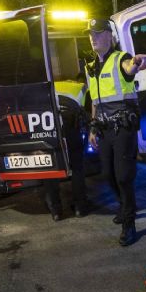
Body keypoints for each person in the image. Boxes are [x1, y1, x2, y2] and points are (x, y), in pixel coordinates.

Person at [85, 19, 146, 246]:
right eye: (90, 34)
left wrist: (137, 62)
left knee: (124, 177)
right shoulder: (90, 67)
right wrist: (92, 126)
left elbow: (130, 67)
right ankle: (124, 206)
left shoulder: (120, 58)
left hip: (123, 128)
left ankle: (129, 223)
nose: (92, 37)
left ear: (109, 36)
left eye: (98, 33)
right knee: (107, 175)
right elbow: (94, 99)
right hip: (103, 130)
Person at [43, 80, 89, 221]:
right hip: (71, 128)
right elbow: (85, 112)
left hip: (50, 128)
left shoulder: (44, 86)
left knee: (50, 168)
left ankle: (56, 210)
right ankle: (79, 208)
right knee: (77, 168)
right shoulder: (81, 86)